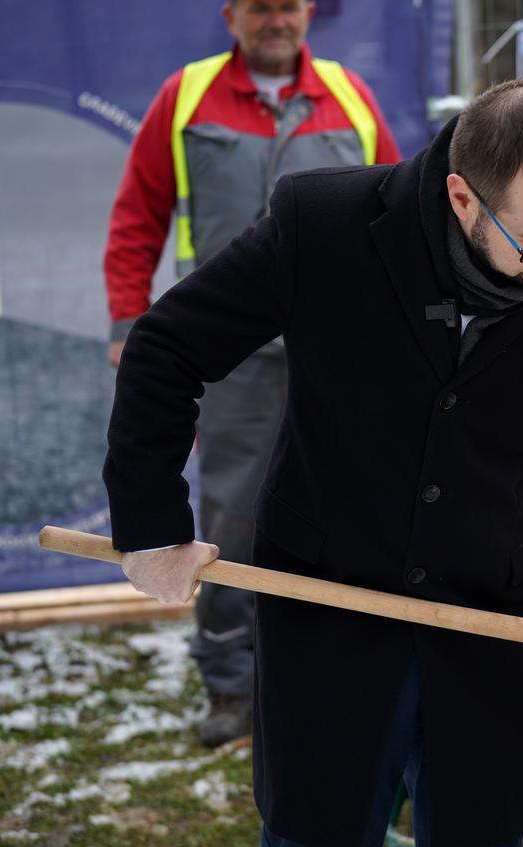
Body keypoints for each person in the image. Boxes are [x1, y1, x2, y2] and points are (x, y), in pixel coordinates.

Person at [105, 79, 523, 847]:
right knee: (317, 837)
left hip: (489, 617)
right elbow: (166, 349)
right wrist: (152, 525)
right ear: (463, 198)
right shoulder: (325, 226)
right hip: (326, 606)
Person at [102, 0, 400, 748]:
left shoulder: (351, 96)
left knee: (341, 508)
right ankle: (231, 682)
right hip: (225, 352)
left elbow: (400, 211)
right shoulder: (186, 98)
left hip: (337, 352)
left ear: (307, 15)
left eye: (289, 7)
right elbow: (139, 215)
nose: (277, 20)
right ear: (232, 15)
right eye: (260, 7)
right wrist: (128, 326)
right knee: (234, 513)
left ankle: (321, 668)